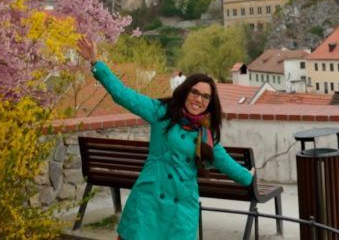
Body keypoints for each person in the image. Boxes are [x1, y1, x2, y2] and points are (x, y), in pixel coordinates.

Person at [76, 36, 254, 240]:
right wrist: (95, 63)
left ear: (210, 102)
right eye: (194, 92)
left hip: (181, 211)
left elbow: (227, 164)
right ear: (185, 91)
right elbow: (123, 95)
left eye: (205, 96)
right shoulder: (161, 113)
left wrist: (250, 177)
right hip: (149, 201)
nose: (199, 99)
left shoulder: (206, 135)